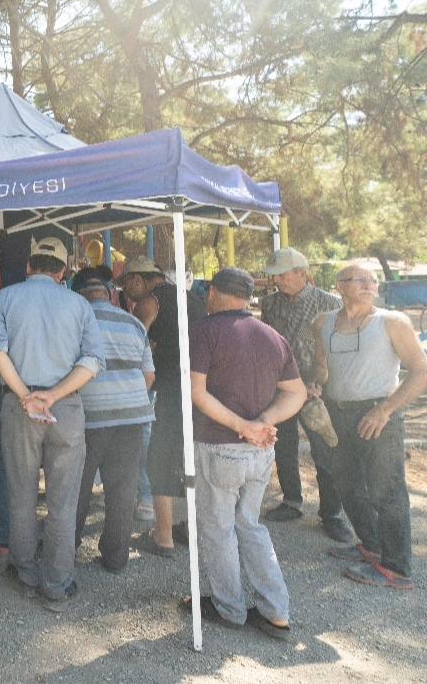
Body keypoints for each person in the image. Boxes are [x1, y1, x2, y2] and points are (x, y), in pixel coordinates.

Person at [0, 237, 105, 612]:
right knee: (62, 503)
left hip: (18, 406)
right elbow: (92, 361)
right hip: (65, 408)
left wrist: (26, 395)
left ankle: (23, 573)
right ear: (63, 272)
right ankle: (57, 584)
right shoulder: (79, 304)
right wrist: (52, 396)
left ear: (28, 266)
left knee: (20, 495)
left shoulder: (4, 298)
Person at [188, 267, 305, 640]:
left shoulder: (204, 331)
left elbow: (196, 392)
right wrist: (263, 421)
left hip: (219, 445)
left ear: (212, 292)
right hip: (260, 450)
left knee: (218, 529)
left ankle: (229, 607)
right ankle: (276, 611)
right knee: (250, 525)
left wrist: (244, 425)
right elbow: (297, 392)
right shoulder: (272, 335)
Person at [313, 263, 427, 590]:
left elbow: (421, 371)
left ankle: (397, 569)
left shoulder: (392, 322)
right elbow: (321, 367)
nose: (369, 284)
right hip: (337, 414)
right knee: (347, 484)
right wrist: (316, 384)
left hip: (379, 415)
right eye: (360, 280)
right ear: (339, 286)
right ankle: (372, 545)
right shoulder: (322, 323)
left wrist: (385, 409)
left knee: (386, 491)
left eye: (373, 280)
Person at [258, 248, 350, 540]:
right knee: (283, 447)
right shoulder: (269, 303)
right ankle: (292, 501)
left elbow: (338, 349)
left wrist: (320, 382)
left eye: (282, 274)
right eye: (274, 275)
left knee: (325, 451)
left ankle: (332, 514)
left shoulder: (330, 303)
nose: (276, 280)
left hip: (318, 390)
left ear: (302, 273)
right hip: (282, 388)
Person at [118, 255, 206, 557]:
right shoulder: (192, 297)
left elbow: (136, 343)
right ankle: (191, 527)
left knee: (160, 458)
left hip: (170, 387)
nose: (126, 293)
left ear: (138, 279)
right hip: (200, 387)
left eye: (126, 285)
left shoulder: (149, 302)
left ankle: (163, 536)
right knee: (193, 459)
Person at [70, 268, 155, 574]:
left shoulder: (76, 321)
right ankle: (116, 557)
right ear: (108, 294)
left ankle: (66, 548)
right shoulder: (133, 323)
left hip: (89, 418)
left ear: (79, 295)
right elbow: (149, 375)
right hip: (132, 417)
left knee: (77, 486)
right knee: (122, 489)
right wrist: (125, 397)